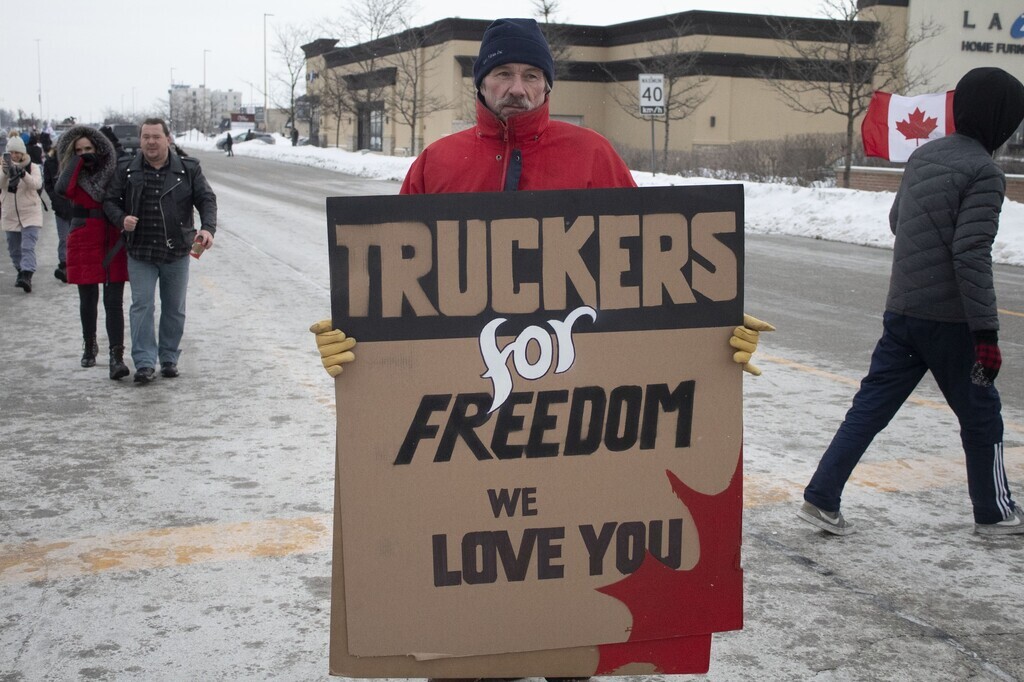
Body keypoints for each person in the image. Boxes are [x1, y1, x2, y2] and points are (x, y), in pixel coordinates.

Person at [310, 20, 773, 682]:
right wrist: (355, 344)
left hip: (571, 403)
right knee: (472, 616)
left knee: (569, 616)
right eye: (503, 75)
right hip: (466, 407)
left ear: (549, 85)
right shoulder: (437, 164)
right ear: (480, 83)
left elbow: (647, 274)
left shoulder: (594, 158)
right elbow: (391, 288)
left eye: (531, 77)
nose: (517, 89)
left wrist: (705, 335)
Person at [798, 67, 1024, 538]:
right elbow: (971, 254)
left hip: (902, 313)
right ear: (1000, 119)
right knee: (982, 415)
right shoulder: (985, 172)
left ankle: (821, 496)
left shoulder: (925, 158)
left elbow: (899, 221)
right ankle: (995, 514)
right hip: (952, 322)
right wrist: (986, 334)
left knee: (870, 408)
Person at [103, 117, 217, 384]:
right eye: (146, 137)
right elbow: (110, 200)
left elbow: (206, 198)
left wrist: (208, 228)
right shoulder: (127, 170)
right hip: (140, 252)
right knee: (141, 306)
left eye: (156, 137)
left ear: (168, 139)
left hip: (175, 252)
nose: (151, 142)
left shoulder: (188, 169)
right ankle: (144, 362)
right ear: (140, 140)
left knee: (174, 308)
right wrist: (121, 218)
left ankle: (168, 358)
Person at [56, 126, 130, 379]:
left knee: (114, 302)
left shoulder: (112, 170)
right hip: (83, 236)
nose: (85, 153)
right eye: (79, 150)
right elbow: (62, 189)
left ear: (99, 148)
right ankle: (89, 344)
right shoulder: (71, 171)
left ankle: (116, 355)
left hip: (111, 237)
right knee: (88, 299)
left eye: (89, 149)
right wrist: (76, 162)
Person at [1, 136, 44, 293]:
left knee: (27, 246)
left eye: (17, 152)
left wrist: (23, 174)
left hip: (30, 213)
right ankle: (20, 271)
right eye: (10, 152)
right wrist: (6, 172)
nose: (14, 156)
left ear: (22, 153)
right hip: (10, 213)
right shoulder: (2, 166)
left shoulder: (32, 167)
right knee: (14, 249)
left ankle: (27, 275)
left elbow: (37, 184)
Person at [42, 143, 71, 282]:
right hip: (60, 208)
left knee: (76, 238)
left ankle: (73, 265)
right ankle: (64, 265)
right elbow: (47, 184)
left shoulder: (74, 161)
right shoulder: (50, 163)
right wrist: (54, 198)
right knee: (64, 238)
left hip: (77, 207)